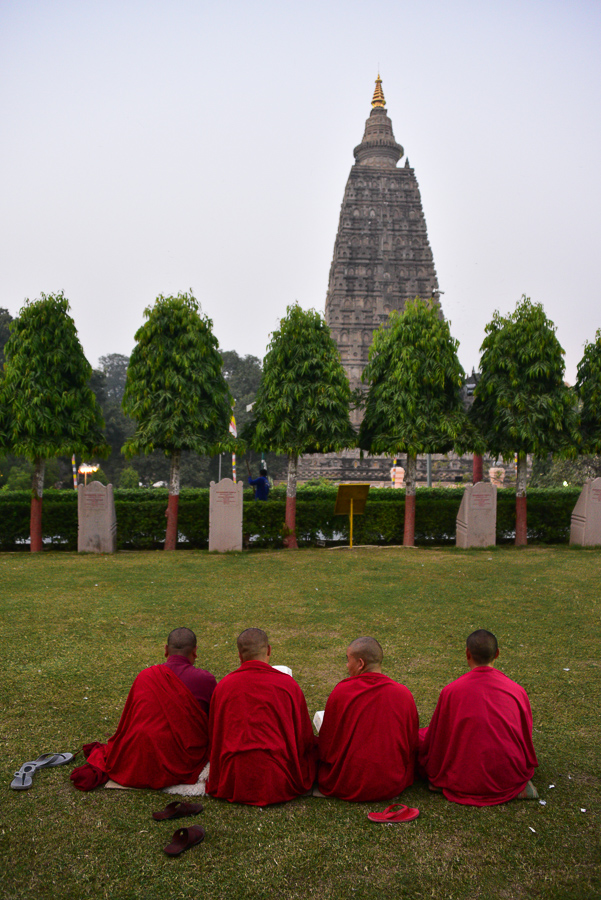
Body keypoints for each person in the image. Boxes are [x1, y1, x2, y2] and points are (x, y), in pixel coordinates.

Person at [71, 628, 216, 791]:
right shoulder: (205, 679)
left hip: (138, 758)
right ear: (195, 651)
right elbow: (212, 725)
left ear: (166, 650)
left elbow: (129, 723)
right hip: (180, 760)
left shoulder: (146, 676)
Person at [418, 629, 538, 806]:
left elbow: (439, 737)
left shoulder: (451, 691)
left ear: (467, 653)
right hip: (508, 776)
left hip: (463, 776)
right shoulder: (517, 691)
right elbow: (525, 734)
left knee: (421, 736)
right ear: (497, 654)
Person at [207, 628, 317, 805]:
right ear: (269, 650)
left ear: (240, 655)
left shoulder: (224, 687)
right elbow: (303, 738)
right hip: (278, 778)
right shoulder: (288, 685)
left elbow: (215, 736)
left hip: (234, 778)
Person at [316, 637, 418, 801]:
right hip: (390, 783)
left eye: (348, 660)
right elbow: (411, 742)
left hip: (346, 782)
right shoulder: (403, 693)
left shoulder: (343, 691)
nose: (347, 666)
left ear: (360, 664)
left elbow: (327, 745)